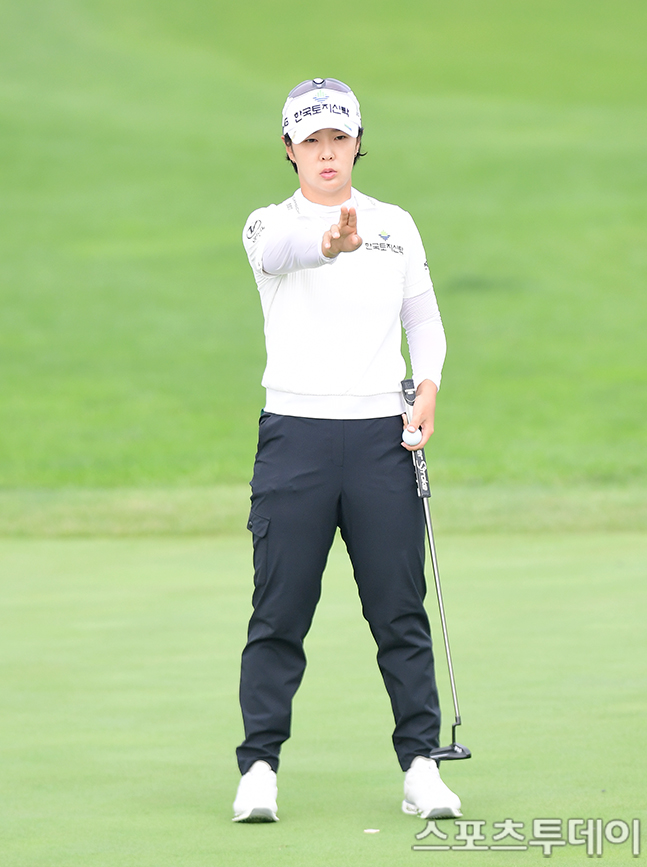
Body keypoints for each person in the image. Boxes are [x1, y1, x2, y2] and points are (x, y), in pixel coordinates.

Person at [233, 77, 462, 823]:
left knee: (399, 612)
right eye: (312, 140)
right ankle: (259, 768)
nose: (327, 152)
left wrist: (429, 385)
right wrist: (330, 243)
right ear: (289, 149)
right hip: (295, 436)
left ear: (358, 143)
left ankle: (421, 766)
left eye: (339, 138)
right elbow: (291, 251)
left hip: (379, 438)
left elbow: (423, 320)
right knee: (279, 612)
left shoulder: (396, 225)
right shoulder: (266, 225)